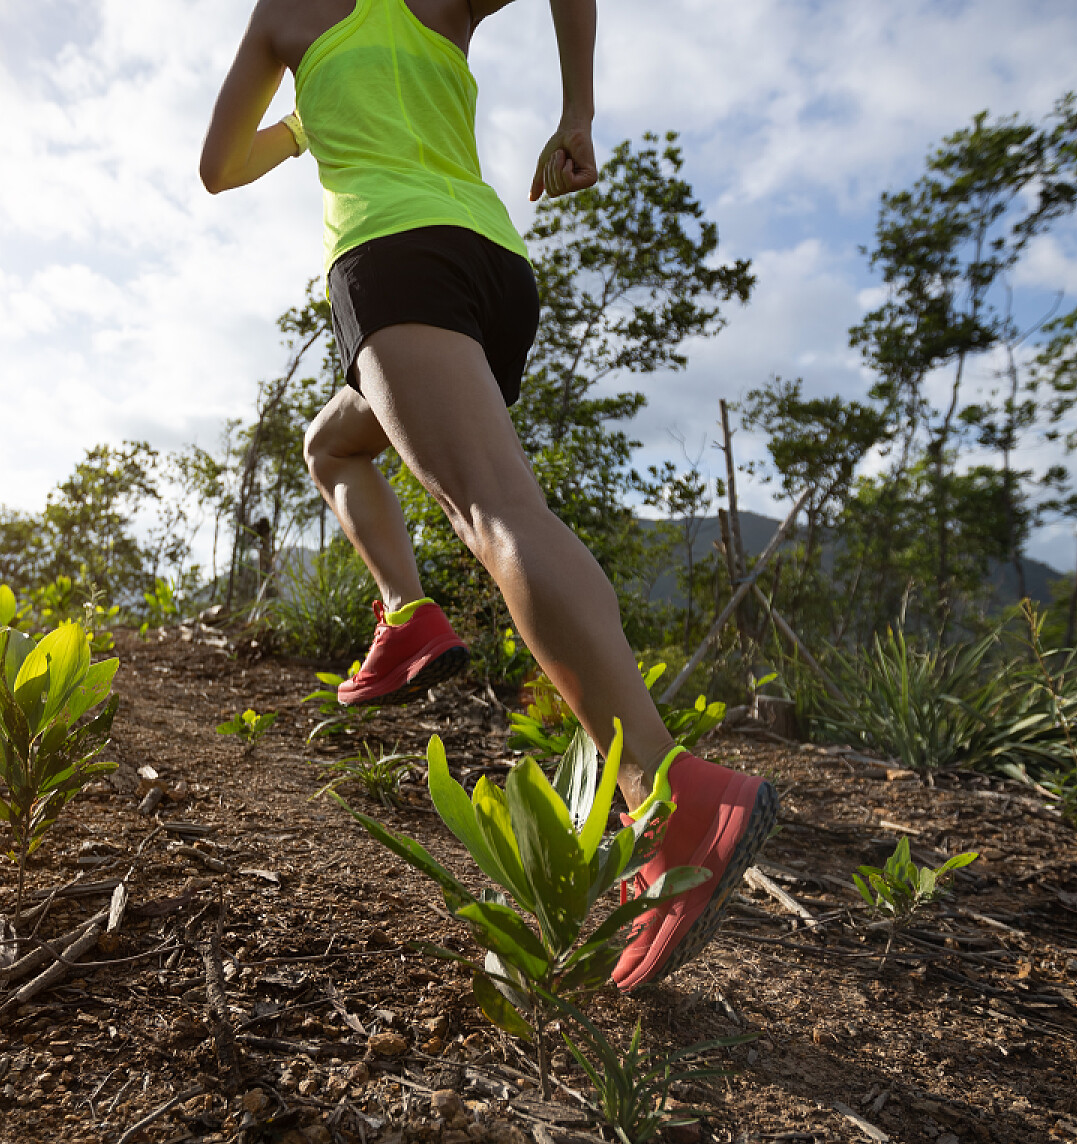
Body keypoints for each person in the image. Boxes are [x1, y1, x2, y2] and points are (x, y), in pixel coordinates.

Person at [199, 0, 776, 989]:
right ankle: (409, 616)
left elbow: (218, 168)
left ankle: (668, 794)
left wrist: (299, 127)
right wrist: (578, 117)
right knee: (334, 445)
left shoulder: (288, 14)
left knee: (496, 510)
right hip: (492, 263)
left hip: (392, 258)